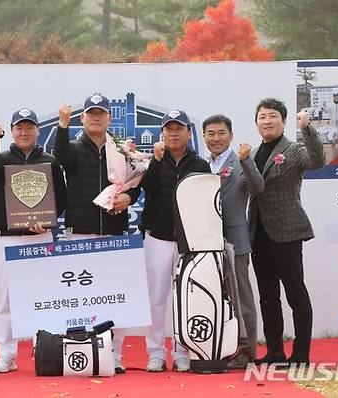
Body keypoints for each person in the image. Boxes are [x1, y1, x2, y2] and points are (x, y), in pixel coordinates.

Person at [54, 93, 141, 374]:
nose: (95, 117)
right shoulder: (74, 147)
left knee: (116, 297)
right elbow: (61, 157)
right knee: (81, 298)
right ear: (82, 118)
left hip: (114, 231)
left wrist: (130, 198)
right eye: (90, 113)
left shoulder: (122, 149)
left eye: (100, 113)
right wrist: (63, 126)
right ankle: (84, 353)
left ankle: (113, 356)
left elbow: (138, 179)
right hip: (81, 232)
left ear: (109, 118)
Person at [0, 108, 66, 373]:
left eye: (29, 127)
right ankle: (6, 354)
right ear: (11, 131)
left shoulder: (50, 161)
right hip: (8, 238)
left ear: (37, 131)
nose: (24, 132)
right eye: (19, 127)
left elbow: (60, 199)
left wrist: (48, 221)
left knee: (43, 296)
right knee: (7, 299)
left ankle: (43, 350)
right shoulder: (1, 159)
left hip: (41, 236)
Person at [249, 98, 325, 366]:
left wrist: (308, 129)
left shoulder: (293, 150)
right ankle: (275, 351)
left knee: (296, 295)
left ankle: (301, 355)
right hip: (258, 235)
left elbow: (317, 160)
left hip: (287, 233)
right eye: (262, 117)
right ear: (256, 122)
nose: (267, 121)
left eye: (273, 116)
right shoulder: (253, 152)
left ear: (283, 121)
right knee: (268, 298)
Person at [138, 109, 211, 372]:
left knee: (185, 300)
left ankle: (183, 351)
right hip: (157, 238)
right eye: (168, 128)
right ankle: (155, 352)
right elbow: (148, 189)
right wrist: (156, 161)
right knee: (156, 299)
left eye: (178, 128)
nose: (173, 133)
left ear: (189, 133)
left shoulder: (200, 164)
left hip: (188, 244)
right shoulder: (154, 160)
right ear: (162, 134)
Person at [202, 114, 264, 368]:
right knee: (214, 297)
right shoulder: (202, 164)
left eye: (221, 133)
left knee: (241, 298)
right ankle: (220, 347)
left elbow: (257, 187)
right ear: (204, 137)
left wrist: (247, 161)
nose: (216, 138)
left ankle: (247, 351)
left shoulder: (240, 162)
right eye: (211, 134)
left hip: (235, 240)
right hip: (205, 240)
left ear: (231, 135)